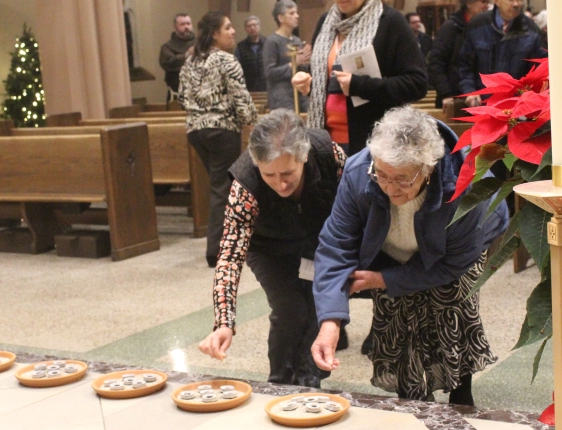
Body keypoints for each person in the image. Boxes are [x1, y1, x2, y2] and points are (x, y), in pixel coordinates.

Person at [310, 106, 509, 405]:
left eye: (402, 178)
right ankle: (413, 393)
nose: (390, 188)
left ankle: (461, 388)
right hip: (392, 244)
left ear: (428, 168)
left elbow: (452, 264)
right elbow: (335, 246)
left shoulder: (468, 186)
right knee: (395, 312)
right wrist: (330, 322)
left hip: (458, 249)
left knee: (451, 303)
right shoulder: (359, 172)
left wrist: (384, 278)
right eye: (382, 175)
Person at [199, 109, 348, 387]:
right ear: (257, 163)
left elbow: (355, 209)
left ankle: (309, 382)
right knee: (290, 309)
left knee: (316, 305)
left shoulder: (330, 155)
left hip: (318, 241)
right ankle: (279, 385)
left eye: (288, 173)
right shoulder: (245, 185)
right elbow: (230, 257)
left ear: (303, 156)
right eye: (269, 174)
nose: (280, 183)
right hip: (268, 247)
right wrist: (223, 323)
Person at [291, 0, 429, 155]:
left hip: (373, 141)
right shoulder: (326, 22)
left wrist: (359, 85)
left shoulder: (391, 21)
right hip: (325, 140)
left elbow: (417, 84)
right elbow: (328, 82)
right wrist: (308, 82)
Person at [179, 11, 258, 268]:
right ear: (215, 34)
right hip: (222, 130)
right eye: (228, 28)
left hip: (196, 131)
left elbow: (181, 97)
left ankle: (229, 242)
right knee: (222, 189)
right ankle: (217, 251)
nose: (233, 31)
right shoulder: (226, 60)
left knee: (218, 186)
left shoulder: (190, 61)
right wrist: (253, 122)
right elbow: (241, 99)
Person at [457, 0, 546, 108]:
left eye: (520, 0)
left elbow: (539, 71)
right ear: (497, 1)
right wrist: (470, 90)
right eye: (511, 0)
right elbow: (464, 65)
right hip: (482, 104)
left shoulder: (531, 30)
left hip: (517, 106)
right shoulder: (478, 25)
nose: (516, 4)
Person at [427, 0, 491, 110]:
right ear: (469, 3)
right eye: (483, 1)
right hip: (454, 97)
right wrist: (446, 94)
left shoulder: (486, 28)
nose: (486, 6)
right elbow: (435, 62)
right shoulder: (451, 27)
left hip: (479, 97)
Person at [263, 0, 312, 111]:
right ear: (281, 18)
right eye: (291, 13)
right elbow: (269, 73)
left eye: (296, 12)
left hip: (300, 95)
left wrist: (306, 61)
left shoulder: (297, 40)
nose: (297, 16)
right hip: (281, 97)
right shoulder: (272, 41)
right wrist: (294, 63)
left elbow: (301, 69)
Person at [160, 14, 196, 102]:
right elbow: (168, 64)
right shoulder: (167, 47)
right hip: (177, 93)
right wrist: (186, 55)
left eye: (188, 23)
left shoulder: (200, 44)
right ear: (175, 27)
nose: (186, 27)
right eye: (182, 24)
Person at [235, 16, 267, 92]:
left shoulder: (268, 44)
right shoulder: (240, 47)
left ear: (259, 26)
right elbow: (237, 68)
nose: (252, 28)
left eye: (255, 25)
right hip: (248, 88)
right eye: (249, 26)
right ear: (245, 29)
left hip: (267, 87)